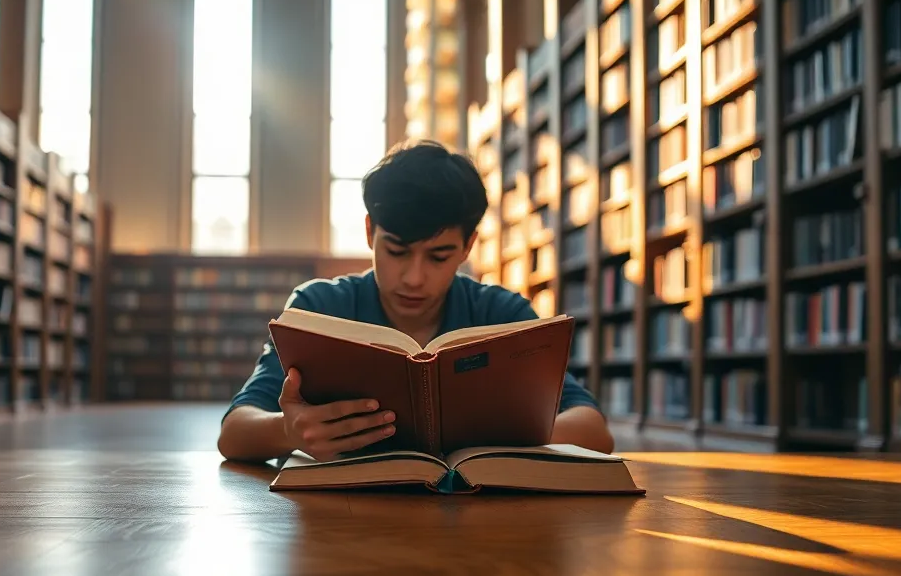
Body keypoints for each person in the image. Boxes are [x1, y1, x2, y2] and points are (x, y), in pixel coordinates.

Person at [217, 140, 614, 462]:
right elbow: (234, 433)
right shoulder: (317, 307)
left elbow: (593, 429)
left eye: (439, 257)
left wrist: (497, 441)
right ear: (371, 232)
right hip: (340, 523)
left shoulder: (502, 314)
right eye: (397, 251)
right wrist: (288, 430)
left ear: (468, 246)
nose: (413, 277)